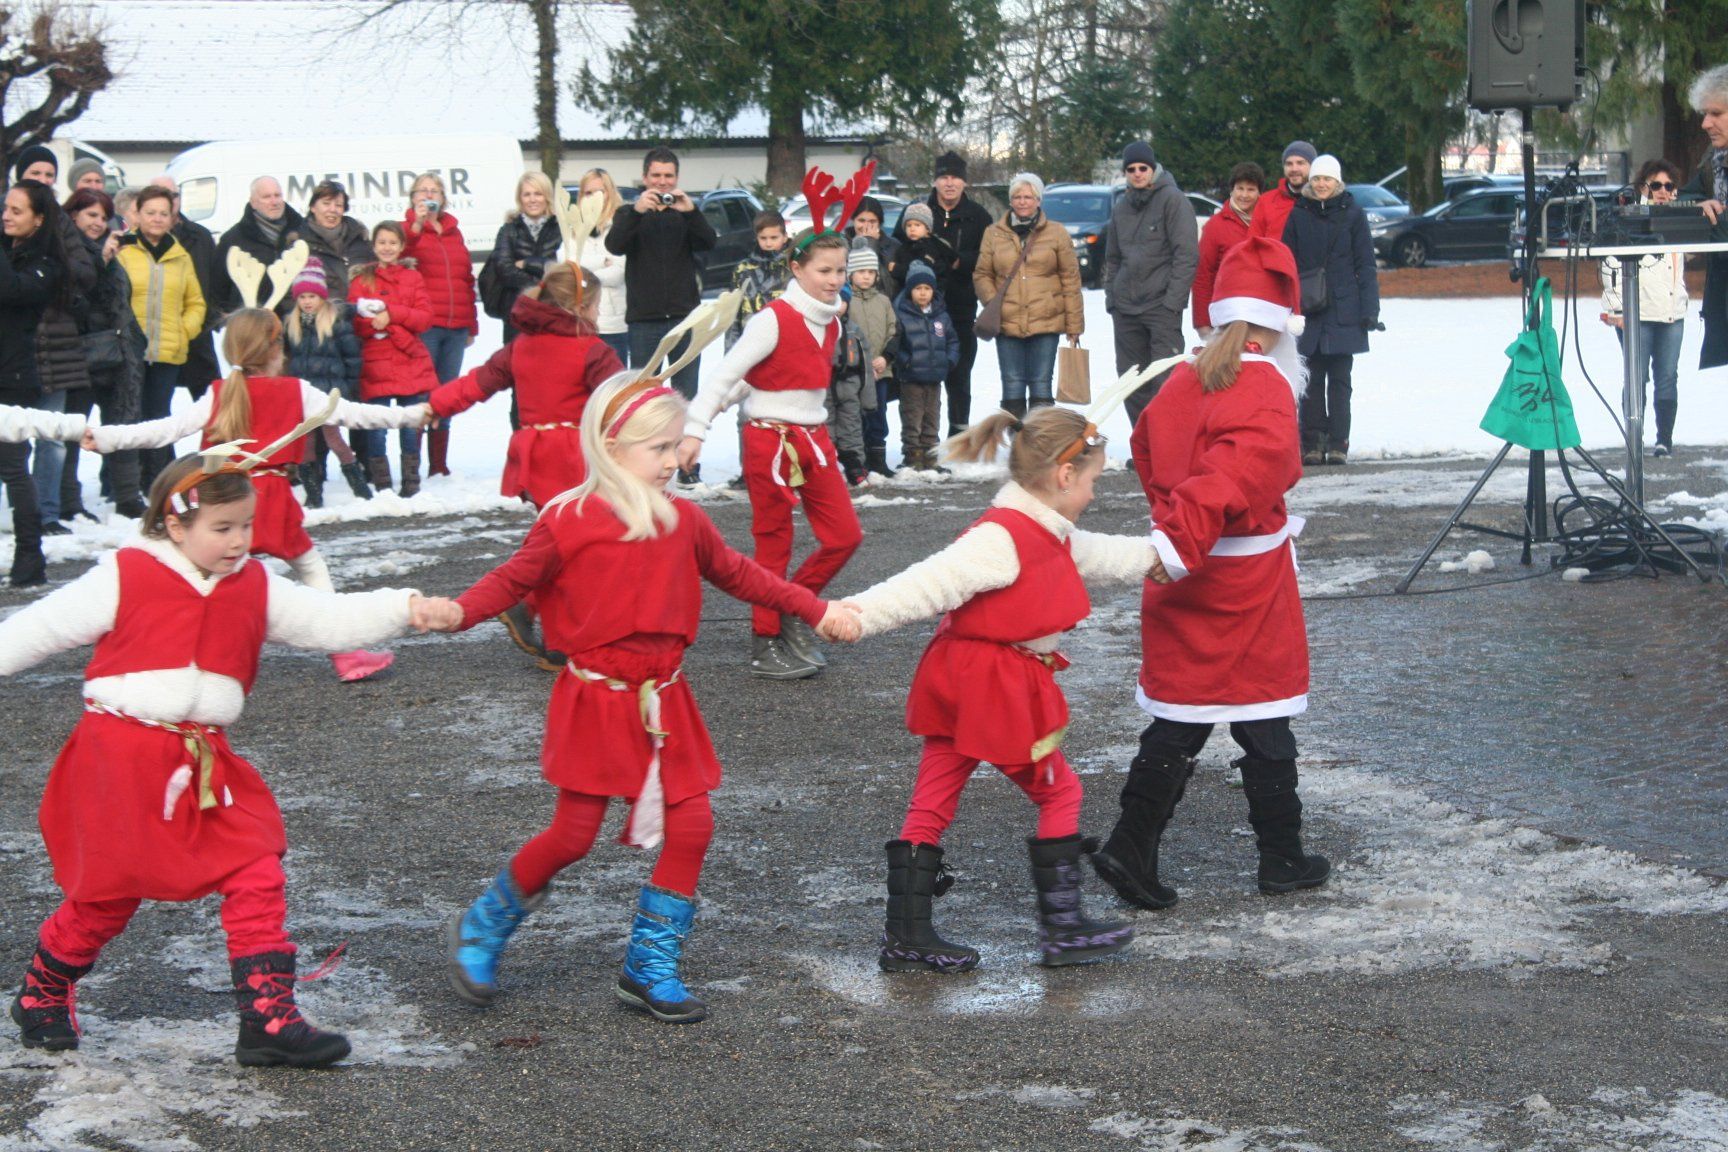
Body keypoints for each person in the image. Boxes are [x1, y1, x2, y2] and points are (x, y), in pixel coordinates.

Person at [433, 374, 860, 1024]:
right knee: (572, 835)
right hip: (596, 700)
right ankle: (484, 923)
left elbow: (741, 574)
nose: (672, 460)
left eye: (675, 446)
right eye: (658, 448)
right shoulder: (568, 522)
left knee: (694, 825)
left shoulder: (684, 520)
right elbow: (511, 580)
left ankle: (648, 962)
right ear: (611, 446)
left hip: (664, 699)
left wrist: (814, 607)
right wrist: (458, 611)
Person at [0, 455, 446, 1066]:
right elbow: (32, 632)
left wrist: (406, 607)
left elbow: (327, 620)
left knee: (254, 863)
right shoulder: (125, 574)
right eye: (222, 528)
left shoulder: (255, 585)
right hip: (119, 758)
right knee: (108, 893)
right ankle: (43, 991)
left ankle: (267, 1019)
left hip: (203, 759)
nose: (239, 541)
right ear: (175, 525)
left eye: (246, 526)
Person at [843, 407, 1146, 971]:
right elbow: (927, 584)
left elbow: (1106, 554)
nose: (1093, 493)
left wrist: (1164, 558)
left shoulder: (1046, 529)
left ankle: (906, 935)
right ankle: (1063, 929)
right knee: (1059, 792)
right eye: (1092, 480)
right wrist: (854, 615)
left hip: (960, 677)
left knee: (933, 798)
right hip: (995, 686)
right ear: (1064, 476)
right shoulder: (1000, 538)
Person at [1093, 236, 1330, 912]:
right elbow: (1239, 471)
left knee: (1186, 713)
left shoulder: (1183, 376)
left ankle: (1135, 844)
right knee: (1263, 711)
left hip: (1186, 566)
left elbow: (1146, 449)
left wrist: (1170, 524)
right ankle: (1279, 857)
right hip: (1241, 578)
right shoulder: (1264, 383)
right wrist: (1183, 533)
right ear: (1278, 322)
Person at [86, 308, 432, 681]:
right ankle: (345, 652)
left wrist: (106, 437)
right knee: (310, 568)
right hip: (272, 500)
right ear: (276, 349)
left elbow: (164, 430)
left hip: (222, 499)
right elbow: (355, 415)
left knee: (202, 576)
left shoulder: (219, 393)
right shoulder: (296, 391)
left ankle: (169, 649)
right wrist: (414, 415)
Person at [678, 228, 864, 681]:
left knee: (845, 535)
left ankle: (794, 607)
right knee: (773, 543)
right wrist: (695, 428)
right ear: (796, 269)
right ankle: (765, 641)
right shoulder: (771, 319)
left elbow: (770, 373)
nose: (834, 279)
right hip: (769, 441)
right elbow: (728, 376)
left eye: (841, 270)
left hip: (813, 439)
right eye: (824, 270)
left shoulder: (833, 322)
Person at [429, 262, 624, 669]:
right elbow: (621, 401)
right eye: (596, 305)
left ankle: (538, 617)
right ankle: (559, 637)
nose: (598, 312)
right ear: (581, 307)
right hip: (574, 460)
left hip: (535, 459)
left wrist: (434, 406)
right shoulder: (593, 350)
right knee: (579, 551)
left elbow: (479, 382)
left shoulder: (521, 346)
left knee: (560, 547)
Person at [1281, 154, 1379, 466]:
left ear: (1337, 182)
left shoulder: (1353, 214)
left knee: (1340, 381)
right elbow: (1286, 262)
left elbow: (1366, 265)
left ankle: (1338, 443)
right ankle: (1311, 443)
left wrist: (1370, 309)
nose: (1322, 184)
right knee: (1309, 380)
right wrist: (1286, 305)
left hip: (1344, 308)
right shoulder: (1299, 214)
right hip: (1309, 307)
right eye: (1317, 179)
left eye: (1327, 179)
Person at [605, 147, 718, 409]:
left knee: (685, 397)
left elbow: (708, 243)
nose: (662, 182)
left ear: (676, 178)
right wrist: (637, 212)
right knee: (642, 399)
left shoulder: (685, 213)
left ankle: (683, 437)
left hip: (685, 318)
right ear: (645, 178)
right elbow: (614, 245)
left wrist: (691, 212)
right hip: (644, 320)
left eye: (668, 176)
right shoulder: (629, 214)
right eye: (656, 175)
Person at [60, 188, 147, 523]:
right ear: (73, 215)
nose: (98, 223)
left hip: (117, 355)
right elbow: (77, 297)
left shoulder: (106, 250)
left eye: (103, 217)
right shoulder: (65, 249)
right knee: (72, 431)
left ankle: (128, 497)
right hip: (78, 355)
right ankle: (68, 502)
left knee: (121, 427)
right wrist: (102, 261)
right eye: (91, 215)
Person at [114, 185, 207, 489]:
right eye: (150, 212)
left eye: (163, 214)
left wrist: (183, 331)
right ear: (137, 215)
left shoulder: (180, 256)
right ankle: (128, 484)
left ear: (172, 218)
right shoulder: (124, 251)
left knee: (159, 418)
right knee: (131, 417)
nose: (156, 219)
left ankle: (157, 482)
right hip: (130, 352)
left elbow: (196, 303)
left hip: (167, 351)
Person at [0, 180, 69, 586]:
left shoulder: (46, 263)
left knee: (12, 465)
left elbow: (11, 290)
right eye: (5, 208)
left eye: (16, 210)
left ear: (38, 219)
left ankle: (30, 553)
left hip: (13, 377)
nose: (6, 216)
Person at [893, 151, 991, 436]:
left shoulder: (978, 216)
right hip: (918, 310)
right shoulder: (918, 211)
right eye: (944, 177)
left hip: (960, 306)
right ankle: (921, 439)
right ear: (935, 181)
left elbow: (990, 256)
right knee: (919, 377)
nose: (949, 183)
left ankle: (958, 436)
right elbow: (897, 247)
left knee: (959, 373)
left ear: (964, 182)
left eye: (955, 178)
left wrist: (961, 261)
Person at [1103, 141, 1198, 427]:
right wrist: (1112, 299)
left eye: (1143, 168)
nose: (1137, 173)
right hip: (1125, 308)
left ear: (1153, 169)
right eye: (1131, 169)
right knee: (1130, 381)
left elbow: (1186, 255)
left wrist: (1173, 303)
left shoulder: (1173, 200)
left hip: (1161, 307)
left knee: (1166, 381)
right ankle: (1143, 441)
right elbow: (1112, 258)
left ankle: (1166, 443)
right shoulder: (1121, 208)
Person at [973, 172, 1083, 417]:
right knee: (1011, 384)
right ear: (1010, 200)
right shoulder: (993, 233)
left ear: (1038, 200)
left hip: (1046, 320)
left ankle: (1040, 436)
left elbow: (1070, 279)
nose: (1022, 202)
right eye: (1017, 197)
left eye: (1028, 197)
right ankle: (1016, 437)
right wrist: (994, 303)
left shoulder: (1056, 233)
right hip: (1007, 321)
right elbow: (982, 274)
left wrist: (1074, 324)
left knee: (1041, 383)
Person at [1600, 159, 1688, 456]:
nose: (1663, 191)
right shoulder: (1629, 218)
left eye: (1669, 186)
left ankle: (1664, 439)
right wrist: (1617, 310)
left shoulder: (1679, 219)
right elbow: (1610, 265)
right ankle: (1633, 437)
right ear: (1643, 187)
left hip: (1672, 313)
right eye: (1656, 185)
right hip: (1638, 313)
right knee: (1636, 377)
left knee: (1668, 376)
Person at [348, 221, 438, 495]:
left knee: (411, 423)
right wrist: (382, 325)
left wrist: (392, 316)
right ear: (374, 246)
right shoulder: (361, 280)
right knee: (377, 425)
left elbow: (424, 318)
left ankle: (411, 480)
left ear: (401, 247)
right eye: (382, 242)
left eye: (392, 243)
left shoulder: (413, 278)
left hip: (409, 359)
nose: (387, 248)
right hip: (376, 362)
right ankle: (382, 482)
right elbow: (355, 321)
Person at [402, 172, 478, 479]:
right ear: (413, 198)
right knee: (422, 394)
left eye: (434, 190)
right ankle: (413, 462)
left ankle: (438, 464)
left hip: (456, 325)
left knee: (447, 393)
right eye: (422, 191)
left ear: (444, 198)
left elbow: (465, 278)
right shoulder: (407, 230)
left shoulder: (453, 232)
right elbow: (400, 259)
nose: (429, 195)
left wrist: (472, 324)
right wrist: (416, 226)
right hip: (426, 326)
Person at [283, 258, 371, 505]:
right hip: (304, 395)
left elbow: (352, 357)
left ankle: (360, 488)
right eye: (302, 297)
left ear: (321, 296)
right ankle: (313, 493)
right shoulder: (292, 324)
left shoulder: (335, 322)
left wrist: (349, 388)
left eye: (312, 296)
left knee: (335, 440)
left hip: (329, 395)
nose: (307, 302)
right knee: (306, 443)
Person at [152, 176, 221, 400]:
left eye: (173, 195)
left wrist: (208, 319)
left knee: (213, 403)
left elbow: (215, 279)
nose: (169, 201)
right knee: (157, 408)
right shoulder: (137, 239)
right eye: (161, 195)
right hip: (157, 337)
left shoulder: (200, 235)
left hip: (197, 334)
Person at [1683, 64, 1728, 373]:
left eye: (1716, 113)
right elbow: (1679, 200)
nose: (1705, 123)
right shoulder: (1713, 163)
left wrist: (1714, 222)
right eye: (1704, 113)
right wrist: (1697, 207)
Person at [894, 260, 959, 472]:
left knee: (932, 417)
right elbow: (895, 342)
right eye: (918, 288)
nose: (923, 293)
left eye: (927, 288)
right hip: (911, 377)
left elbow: (952, 341)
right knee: (912, 417)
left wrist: (948, 360)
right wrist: (906, 361)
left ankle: (930, 456)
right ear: (910, 291)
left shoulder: (941, 316)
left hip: (934, 377)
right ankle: (913, 456)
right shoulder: (901, 314)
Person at [210, 176, 305, 322]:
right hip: (251, 326)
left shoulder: (303, 232)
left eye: (277, 195)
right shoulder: (233, 240)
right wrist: (231, 320)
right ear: (253, 202)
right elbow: (217, 289)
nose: (274, 202)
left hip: (296, 325)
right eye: (266, 197)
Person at [489, 171, 565, 344]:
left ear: (547, 196)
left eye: (538, 193)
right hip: (517, 313)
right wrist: (542, 281)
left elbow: (562, 268)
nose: (532, 199)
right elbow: (504, 270)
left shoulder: (561, 228)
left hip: (553, 312)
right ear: (520, 198)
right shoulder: (509, 230)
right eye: (527, 194)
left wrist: (527, 263)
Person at [1193, 162, 1265, 336]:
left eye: (1251, 189)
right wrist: (1202, 321)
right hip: (1226, 314)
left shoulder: (1267, 223)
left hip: (1262, 313)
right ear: (1232, 190)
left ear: (1259, 193)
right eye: (1240, 188)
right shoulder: (1215, 226)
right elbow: (1203, 274)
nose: (1244, 195)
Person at [848, 241, 898, 477]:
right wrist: (859, 362)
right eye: (861, 272)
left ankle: (878, 458)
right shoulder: (846, 302)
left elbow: (893, 331)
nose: (866, 277)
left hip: (880, 370)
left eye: (870, 272)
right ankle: (858, 460)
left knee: (878, 414)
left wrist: (885, 357)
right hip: (854, 371)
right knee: (855, 415)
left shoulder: (884, 301)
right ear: (850, 274)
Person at [573, 167, 630, 366]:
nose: (594, 198)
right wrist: (602, 261)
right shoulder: (573, 227)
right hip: (579, 323)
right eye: (588, 193)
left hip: (614, 325)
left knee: (614, 382)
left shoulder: (622, 225)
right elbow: (568, 268)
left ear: (610, 193)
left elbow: (618, 273)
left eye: (600, 192)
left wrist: (584, 273)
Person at [827, 289, 874, 487]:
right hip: (824, 387)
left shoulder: (854, 331)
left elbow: (866, 367)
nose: (838, 306)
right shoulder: (817, 327)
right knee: (825, 428)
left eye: (842, 302)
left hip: (849, 385)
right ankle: (825, 468)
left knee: (851, 427)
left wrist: (868, 400)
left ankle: (855, 465)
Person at [299, 179, 372, 303]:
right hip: (321, 313)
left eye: (338, 205)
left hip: (361, 311)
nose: (332, 209)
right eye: (326, 203)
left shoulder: (360, 239)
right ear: (313, 207)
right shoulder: (299, 243)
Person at [727, 210, 791, 349]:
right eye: (763, 238)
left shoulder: (794, 267)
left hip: (786, 341)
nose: (768, 243)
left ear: (785, 237)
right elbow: (733, 314)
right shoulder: (743, 270)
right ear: (757, 237)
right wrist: (731, 351)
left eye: (774, 238)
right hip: (750, 342)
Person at [1251, 141, 1317, 244]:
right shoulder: (1266, 201)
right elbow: (1252, 242)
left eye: (1300, 163)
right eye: (1289, 164)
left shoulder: (1322, 200)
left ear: (1312, 166)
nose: (1294, 169)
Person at [848, 195, 900, 296]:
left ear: (879, 223)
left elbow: (888, 287)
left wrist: (871, 243)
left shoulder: (894, 247)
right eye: (861, 221)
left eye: (872, 222)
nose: (866, 226)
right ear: (853, 220)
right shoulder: (844, 245)